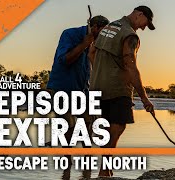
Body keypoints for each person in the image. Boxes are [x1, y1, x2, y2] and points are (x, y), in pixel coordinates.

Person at [89, 6, 155, 177]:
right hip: (117, 89)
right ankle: (104, 171)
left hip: (96, 87)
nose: (143, 28)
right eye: (145, 24)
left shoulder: (108, 28)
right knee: (117, 128)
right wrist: (144, 98)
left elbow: (91, 52)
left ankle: (106, 170)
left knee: (107, 129)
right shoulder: (130, 35)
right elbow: (130, 65)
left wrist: (99, 72)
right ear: (139, 15)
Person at [46, 15, 109, 160]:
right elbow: (64, 60)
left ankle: (87, 160)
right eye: (103, 32)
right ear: (94, 28)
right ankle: (66, 162)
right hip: (63, 87)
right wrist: (84, 45)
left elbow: (95, 66)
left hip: (83, 89)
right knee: (68, 125)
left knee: (88, 122)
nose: (104, 37)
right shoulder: (69, 34)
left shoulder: (98, 42)